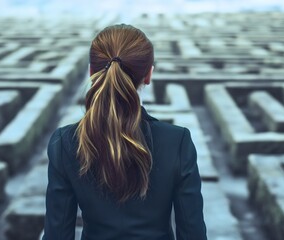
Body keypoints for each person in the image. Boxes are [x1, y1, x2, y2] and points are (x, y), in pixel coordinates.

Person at [42, 23, 207, 240]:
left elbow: (57, 235)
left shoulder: (64, 142)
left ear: (92, 72)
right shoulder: (177, 141)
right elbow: (192, 233)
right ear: (148, 75)